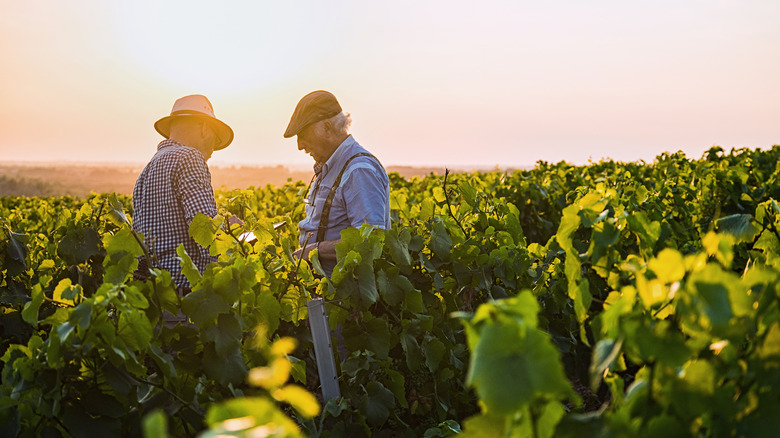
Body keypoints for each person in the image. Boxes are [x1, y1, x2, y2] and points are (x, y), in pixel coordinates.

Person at [132, 94, 236, 293]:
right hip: (185, 296)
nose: (214, 148)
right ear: (205, 128)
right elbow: (204, 233)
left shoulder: (146, 171)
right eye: (215, 138)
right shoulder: (189, 157)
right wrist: (233, 232)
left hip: (156, 299)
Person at [285, 90, 390, 275]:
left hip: (345, 298)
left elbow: (371, 240)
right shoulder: (330, 166)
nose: (299, 145)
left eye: (303, 134)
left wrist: (314, 251)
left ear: (327, 128)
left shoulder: (359, 170)